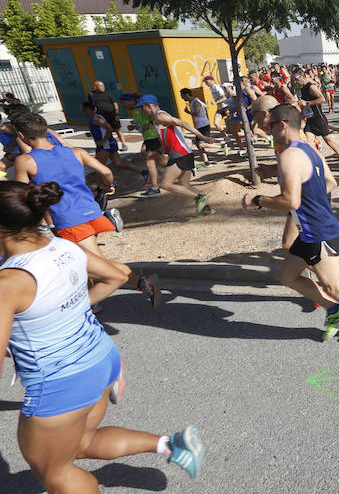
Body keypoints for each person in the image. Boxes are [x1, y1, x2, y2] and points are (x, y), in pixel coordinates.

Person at [0, 181, 205, 492]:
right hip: (100, 359)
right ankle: (173, 445)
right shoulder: (62, 245)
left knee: (56, 473)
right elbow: (118, 275)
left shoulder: (10, 281)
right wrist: (75, 307)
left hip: (59, 382)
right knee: (81, 442)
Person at [242, 104, 339, 343]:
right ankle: (333, 309)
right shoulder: (310, 150)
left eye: (270, 125)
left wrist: (258, 200)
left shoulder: (289, 156)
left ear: (283, 125)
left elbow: (290, 200)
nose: (267, 128)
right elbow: (329, 183)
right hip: (308, 231)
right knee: (287, 275)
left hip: (318, 232)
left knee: (335, 287)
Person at [12, 112, 163, 307]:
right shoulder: (76, 152)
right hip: (91, 211)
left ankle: (143, 283)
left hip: (69, 218)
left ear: (22, 136)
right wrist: (108, 186)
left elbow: (20, 194)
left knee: (94, 263)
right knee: (84, 258)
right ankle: (94, 303)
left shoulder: (25, 161)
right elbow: (107, 172)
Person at [136, 95, 216, 217]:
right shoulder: (158, 117)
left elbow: (182, 123)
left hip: (180, 154)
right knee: (185, 185)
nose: (140, 111)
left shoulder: (161, 116)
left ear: (148, 106)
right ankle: (206, 208)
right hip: (183, 154)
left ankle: (200, 197)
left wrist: (203, 137)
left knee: (166, 185)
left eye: (141, 108)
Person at [294, 71, 339, 172]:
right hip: (310, 120)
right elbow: (306, 106)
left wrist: (307, 103)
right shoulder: (303, 89)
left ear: (303, 76)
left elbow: (322, 99)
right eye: (294, 80)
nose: (296, 82)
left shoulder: (311, 87)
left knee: (329, 141)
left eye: (297, 79)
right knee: (308, 143)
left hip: (319, 119)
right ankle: (314, 164)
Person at [80, 102, 144, 180]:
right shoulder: (96, 118)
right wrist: (91, 134)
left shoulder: (97, 119)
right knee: (119, 164)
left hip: (105, 146)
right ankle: (142, 171)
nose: (84, 112)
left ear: (92, 109)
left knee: (99, 168)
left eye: (85, 110)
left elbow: (109, 128)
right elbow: (102, 130)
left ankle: (102, 187)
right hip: (109, 144)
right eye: (82, 110)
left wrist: (103, 141)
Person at [121, 95, 167, 197]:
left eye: (123, 102)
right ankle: (183, 166)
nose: (123, 105)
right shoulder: (136, 111)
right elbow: (139, 124)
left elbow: (156, 116)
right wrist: (132, 127)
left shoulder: (144, 108)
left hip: (153, 136)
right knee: (158, 160)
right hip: (147, 137)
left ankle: (155, 188)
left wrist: (150, 124)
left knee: (151, 161)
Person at [179, 88, 216, 167]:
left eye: (182, 96)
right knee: (198, 144)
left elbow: (198, 113)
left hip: (203, 125)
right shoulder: (192, 102)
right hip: (200, 125)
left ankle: (221, 146)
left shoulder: (195, 102)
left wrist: (188, 112)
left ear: (186, 95)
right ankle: (206, 162)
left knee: (201, 144)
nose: (182, 98)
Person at [87, 81, 127, 151]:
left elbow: (115, 104)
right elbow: (91, 106)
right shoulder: (91, 95)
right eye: (101, 86)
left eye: (103, 85)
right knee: (106, 130)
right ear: (95, 87)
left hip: (111, 115)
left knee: (117, 129)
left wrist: (117, 114)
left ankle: (124, 144)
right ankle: (109, 145)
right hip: (101, 117)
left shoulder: (108, 94)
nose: (103, 87)